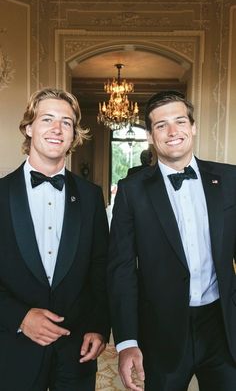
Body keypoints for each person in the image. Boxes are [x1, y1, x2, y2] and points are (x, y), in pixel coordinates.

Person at [107, 90, 236, 391]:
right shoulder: (131, 190)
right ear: (151, 136)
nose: (173, 131)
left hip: (222, 327)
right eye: (161, 125)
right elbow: (121, 270)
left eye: (180, 121)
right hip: (161, 332)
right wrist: (126, 341)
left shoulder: (230, 180)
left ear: (193, 127)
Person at [0, 88, 110, 391]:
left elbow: (100, 267)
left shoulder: (90, 196)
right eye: (47, 119)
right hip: (12, 348)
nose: (57, 129)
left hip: (76, 351)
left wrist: (99, 327)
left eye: (66, 122)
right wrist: (20, 318)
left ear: (74, 133)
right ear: (28, 127)